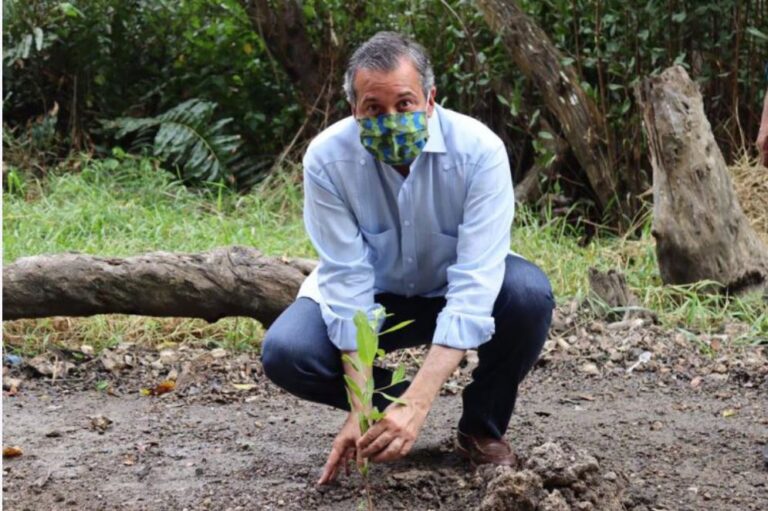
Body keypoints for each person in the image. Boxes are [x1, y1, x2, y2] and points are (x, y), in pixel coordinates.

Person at [261, 32, 554, 485]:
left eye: (405, 104)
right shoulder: (326, 159)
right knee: (288, 352)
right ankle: (385, 412)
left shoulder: (479, 152)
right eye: (373, 109)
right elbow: (347, 280)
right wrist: (363, 405)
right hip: (376, 297)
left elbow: (475, 282)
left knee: (528, 294)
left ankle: (479, 427)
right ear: (353, 109)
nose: (390, 119)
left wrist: (420, 403)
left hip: (449, 291)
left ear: (431, 100)